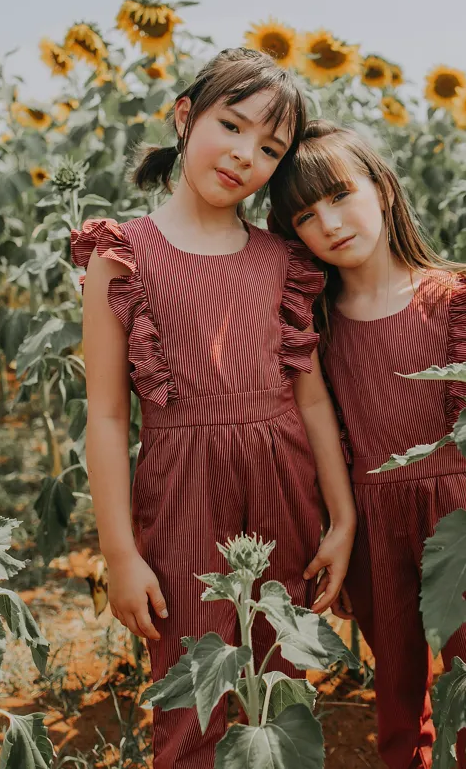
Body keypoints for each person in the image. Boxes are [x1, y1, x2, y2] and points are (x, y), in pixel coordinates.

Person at [72, 49, 356, 768]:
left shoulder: (281, 260)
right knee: (191, 692)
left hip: (282, 483)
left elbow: (312, 397)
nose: (243, 156)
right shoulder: (122, 255)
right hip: (181, 492)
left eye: (269, 148)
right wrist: (119, 552)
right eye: (231, 126)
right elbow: (105, 415)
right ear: (184, 115)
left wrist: (342, 514)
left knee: (282, 681)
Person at [268, 119, 466, 769]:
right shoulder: (317, 324)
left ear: (382, 190)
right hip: (375, 530)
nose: (329, 222)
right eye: (306, 215)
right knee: (397, 700)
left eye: (340, 194)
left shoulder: (453, 302)